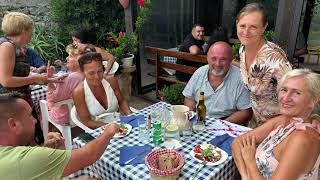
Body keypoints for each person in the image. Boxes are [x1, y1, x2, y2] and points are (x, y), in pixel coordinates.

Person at [0, 92, 119, 179]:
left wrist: (45, 149)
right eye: (30, 115)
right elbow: (89, 155)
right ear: (13, 124)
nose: (35, 120)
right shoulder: (23, 160)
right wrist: (108, 132)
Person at [232, 69, 320, 180]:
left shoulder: (302, 139)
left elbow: (245, 150)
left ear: (314, 100)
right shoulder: (283, 121)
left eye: (297, 92)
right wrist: (245, 176)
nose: (286, 98)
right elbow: (238, 142)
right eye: (284, 90)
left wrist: (250, 162)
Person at [0, 12, 62, 144]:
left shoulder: (13, 47)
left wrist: (47, 80)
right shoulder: (7, 46)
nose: (31, 34)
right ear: (24, 30)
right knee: (24, 141)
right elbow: (5, 80)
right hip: (12, 105)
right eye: (30, 30)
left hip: (20, 99)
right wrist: (34, 79)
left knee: (32, 138)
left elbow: (16, 76)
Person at [236, 3, 292, 127]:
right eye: (242, 26)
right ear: (236, 25)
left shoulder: (274, 59)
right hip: (255, 122)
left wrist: (312, 118)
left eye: (253, 27)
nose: (246, 32)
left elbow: (297, 91)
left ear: (264, 27)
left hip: (279, 126)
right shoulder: (242, 49)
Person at [183, 42, 252, 125]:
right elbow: (189, 97)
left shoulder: (240, 78)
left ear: (231, 60)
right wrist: (191, 115)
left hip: (227, 122)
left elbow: (246, 111)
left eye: (223, 59)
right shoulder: (199, 72)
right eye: (214, 59)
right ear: (207, 58)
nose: (217, 64)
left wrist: (220, 124)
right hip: (199, 120)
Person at [73, 52, 131, 129]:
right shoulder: (79, 92)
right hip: (98, 131)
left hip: (119, 126)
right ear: (83, 72)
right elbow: (87, 122)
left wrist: (130, 115)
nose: (97, 77)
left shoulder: (111, 81)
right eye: (91, 73)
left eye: (100, 71)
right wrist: (110, 127)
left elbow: (121, 101)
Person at [46, 44, 85, 125]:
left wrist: (49, 79)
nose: (67, 58)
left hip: (67, 116)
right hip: (84, 114)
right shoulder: (87, 74)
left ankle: (50, 134)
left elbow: (53, 100)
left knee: (42, 107)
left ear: (79, 60)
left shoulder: (70, 78)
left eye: (70, 56)